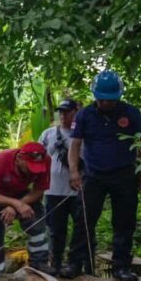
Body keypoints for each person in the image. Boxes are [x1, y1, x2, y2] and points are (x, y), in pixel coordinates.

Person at [60, 71, 141, 281]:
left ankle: (121, 266)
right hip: (93, 176)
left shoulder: (131, 113)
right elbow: (75, 145)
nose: (105, 103)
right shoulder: (84, 115)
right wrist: (75, 172)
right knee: (84, 219)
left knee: (124, 222)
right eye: (101, 99)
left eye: (110, 100)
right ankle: (75, 262)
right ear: (96, 96)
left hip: (124, 175)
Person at [0, 142, 56, 276]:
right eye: (30, 166)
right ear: (19, 159)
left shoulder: (46, 160)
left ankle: (39, 263)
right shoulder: (0, 160)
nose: (33, 171)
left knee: (36, 221)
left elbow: (38, 191)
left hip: (19, 191)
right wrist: (17, 204)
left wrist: (16, 205)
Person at [39, 99, 82, 271]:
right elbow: (37, 157)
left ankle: (77, 264)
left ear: (75, 113)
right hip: (53, 191)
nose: (63, 115)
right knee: (56, 231)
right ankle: (55, 263)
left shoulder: (81, 135)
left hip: (77, 191)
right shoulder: (48, 134)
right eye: (61, 112)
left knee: (81, 229)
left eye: (67, 112)